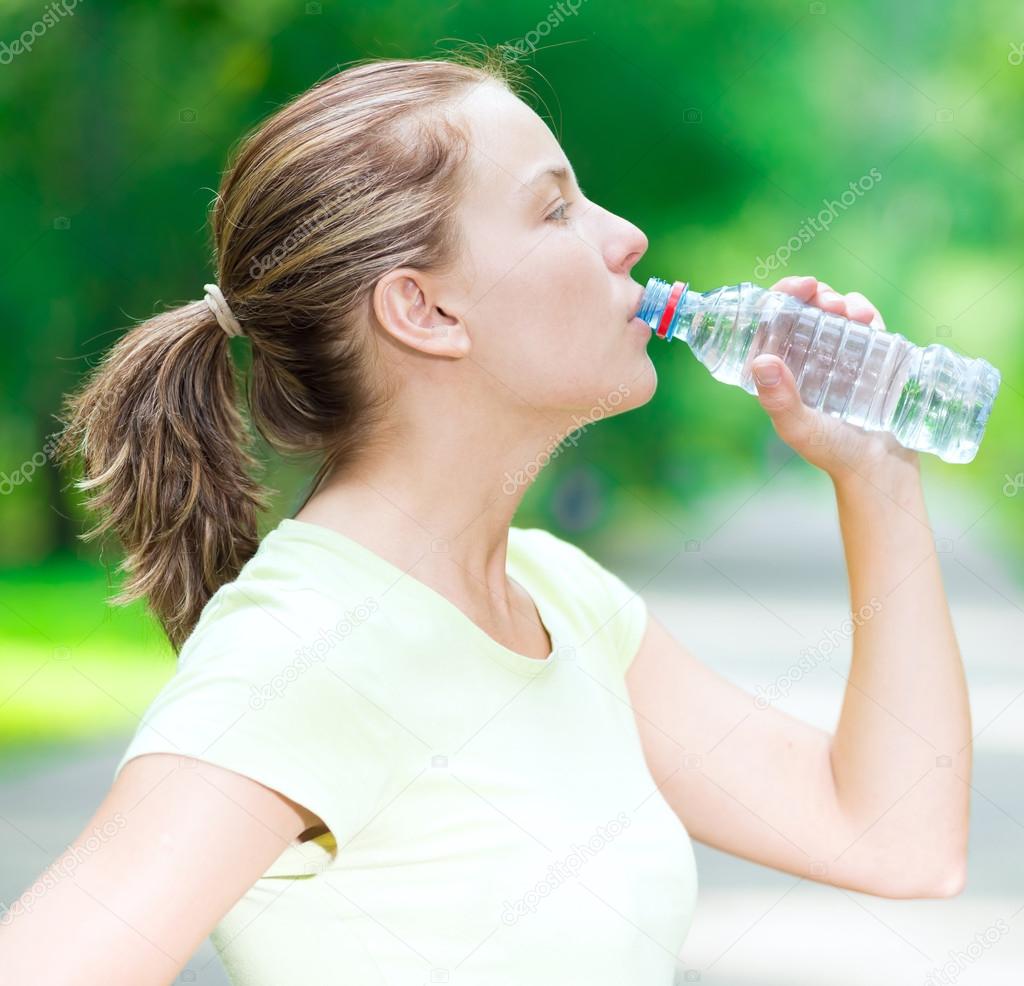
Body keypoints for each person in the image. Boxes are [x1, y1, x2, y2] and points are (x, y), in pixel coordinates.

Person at [0, 49, 969, 986]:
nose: (625, 234)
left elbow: (894, 835)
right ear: (423, 311)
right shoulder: (305, 645)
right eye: (555, 208)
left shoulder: (559, 599)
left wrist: (875, 473)